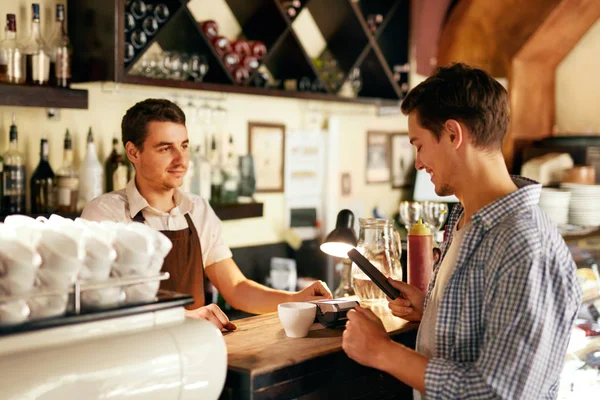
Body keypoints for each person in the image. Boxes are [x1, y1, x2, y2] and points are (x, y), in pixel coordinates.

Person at [341, 63, 582, 399]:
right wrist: (432, 311)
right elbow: (485, 334)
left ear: (454, 134)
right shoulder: (467, 221)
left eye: (419, 145)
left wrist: (382, 351)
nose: (418, 163)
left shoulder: (525, 245)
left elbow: (500, 392)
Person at [82, 99, 331, 331]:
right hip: (134, 359)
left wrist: (296, 298)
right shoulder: (105, 215)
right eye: (165, 148)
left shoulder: (198, 210)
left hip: (196, 354)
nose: (181, 159)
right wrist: (185, 316)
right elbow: (97, 305)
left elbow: (236, 288)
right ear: (133, 152)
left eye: (184, 146)